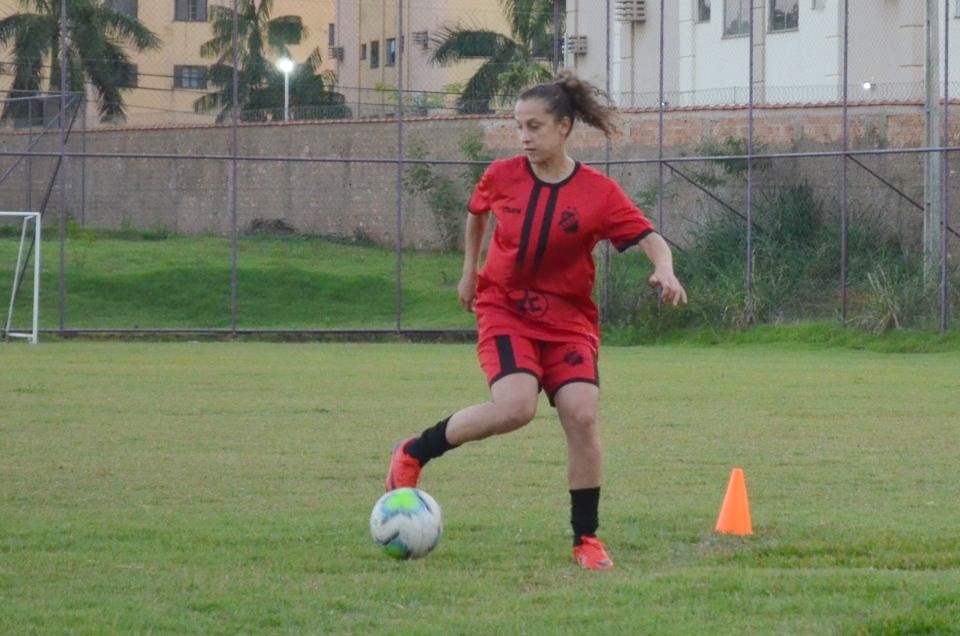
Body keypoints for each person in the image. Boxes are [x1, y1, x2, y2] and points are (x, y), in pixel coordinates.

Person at [386, 71, 687, 570]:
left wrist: (664, 268)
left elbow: (649, 237)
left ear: (564, 127)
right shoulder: (502, 175)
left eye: (534, 127)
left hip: (569, 321)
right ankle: (414, 452)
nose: (524, 137)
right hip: (505, 306)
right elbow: (477, 213)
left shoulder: (599, 192)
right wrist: (470, 272)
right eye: (518, 127)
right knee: (515, 408)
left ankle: (586, 539)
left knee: (583, 415)